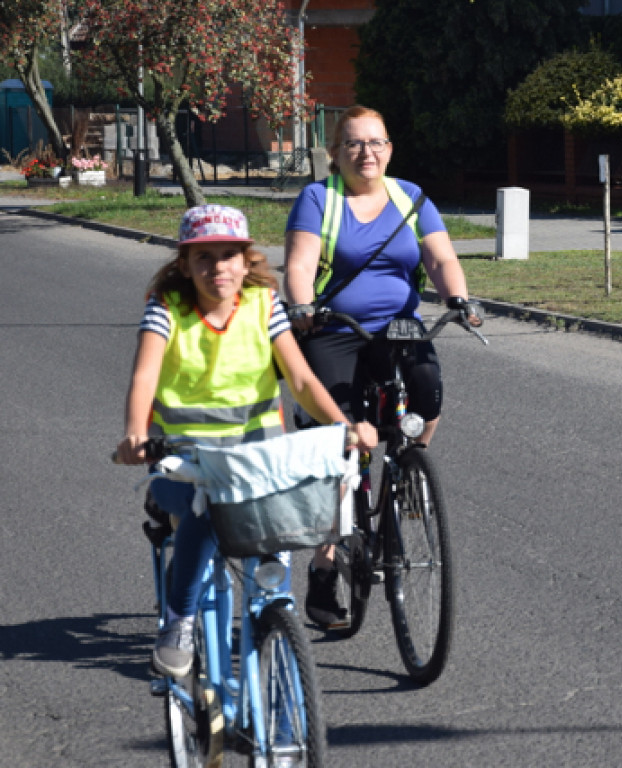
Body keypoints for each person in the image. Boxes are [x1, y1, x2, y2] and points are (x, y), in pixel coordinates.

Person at [116, 204, 376, 678]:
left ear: (245, 259)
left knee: (279, 537)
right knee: (204, 504)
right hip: (184, 461)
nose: (218, 268)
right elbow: (144, 376)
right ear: (185, 264)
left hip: (257, 460)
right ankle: (179, 620)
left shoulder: (263, 304)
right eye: (204, 257)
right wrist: (135, 434)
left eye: (229, 255)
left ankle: (275, 625)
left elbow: (299, 378)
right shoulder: (167, 306)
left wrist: (343, 426)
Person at [284, 105, 481, 629]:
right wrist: (302, 308)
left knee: (428, 391)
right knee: (342, 439)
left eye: (376, 143)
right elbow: (301, 264)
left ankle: (412, 467)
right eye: (353, 144)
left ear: (389, 149)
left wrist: (459, 299)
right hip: (335, 328)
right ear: (335, 153)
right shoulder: (318, 199)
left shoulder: (412, 198)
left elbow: (440, 259)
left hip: (398, 327)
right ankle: (325, 566)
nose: (366, 152)